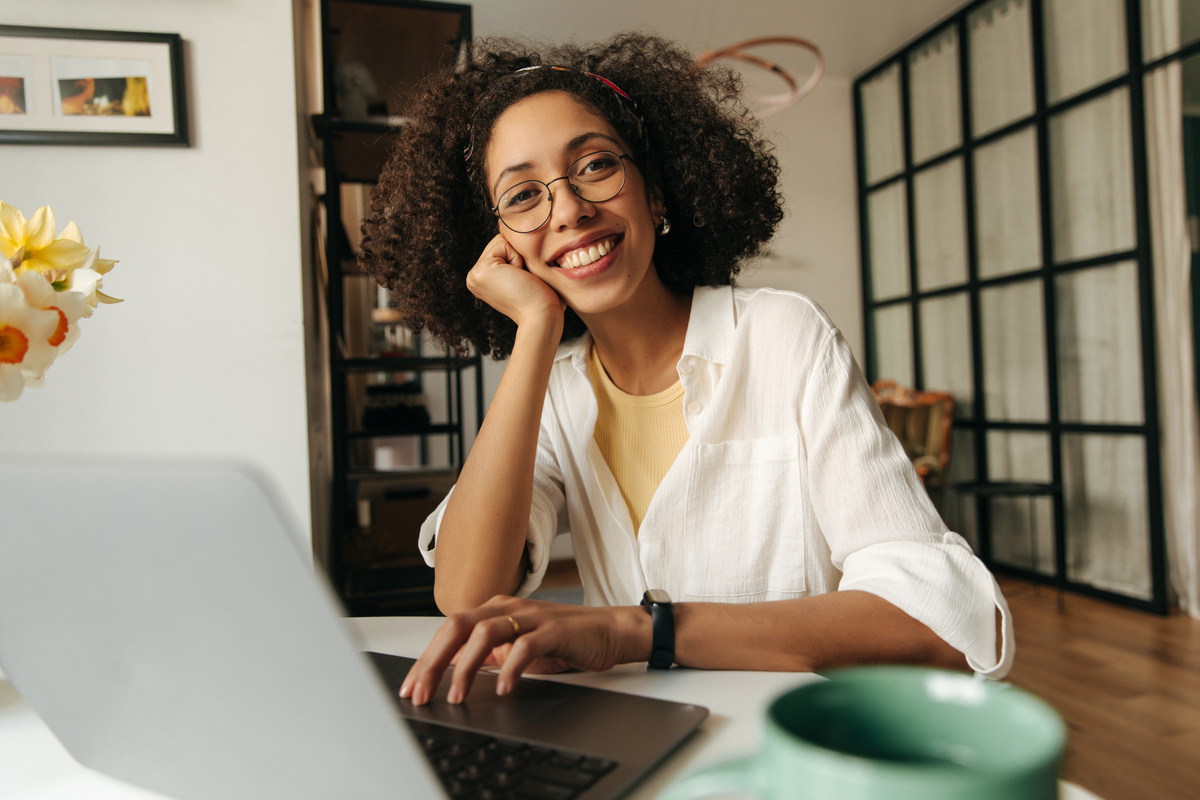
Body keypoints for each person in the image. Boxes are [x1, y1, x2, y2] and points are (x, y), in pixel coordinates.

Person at [358, 32, 1013, 707]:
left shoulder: (782, 336)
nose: (570, 210)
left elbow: (941, 616)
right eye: (523, 196)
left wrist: (638, 633)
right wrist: (536, 332)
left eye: (596, 165)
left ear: (658, 194)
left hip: (777, 746)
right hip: (629, 738)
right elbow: (467, 593)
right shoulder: (552, 390)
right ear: (499, 247)